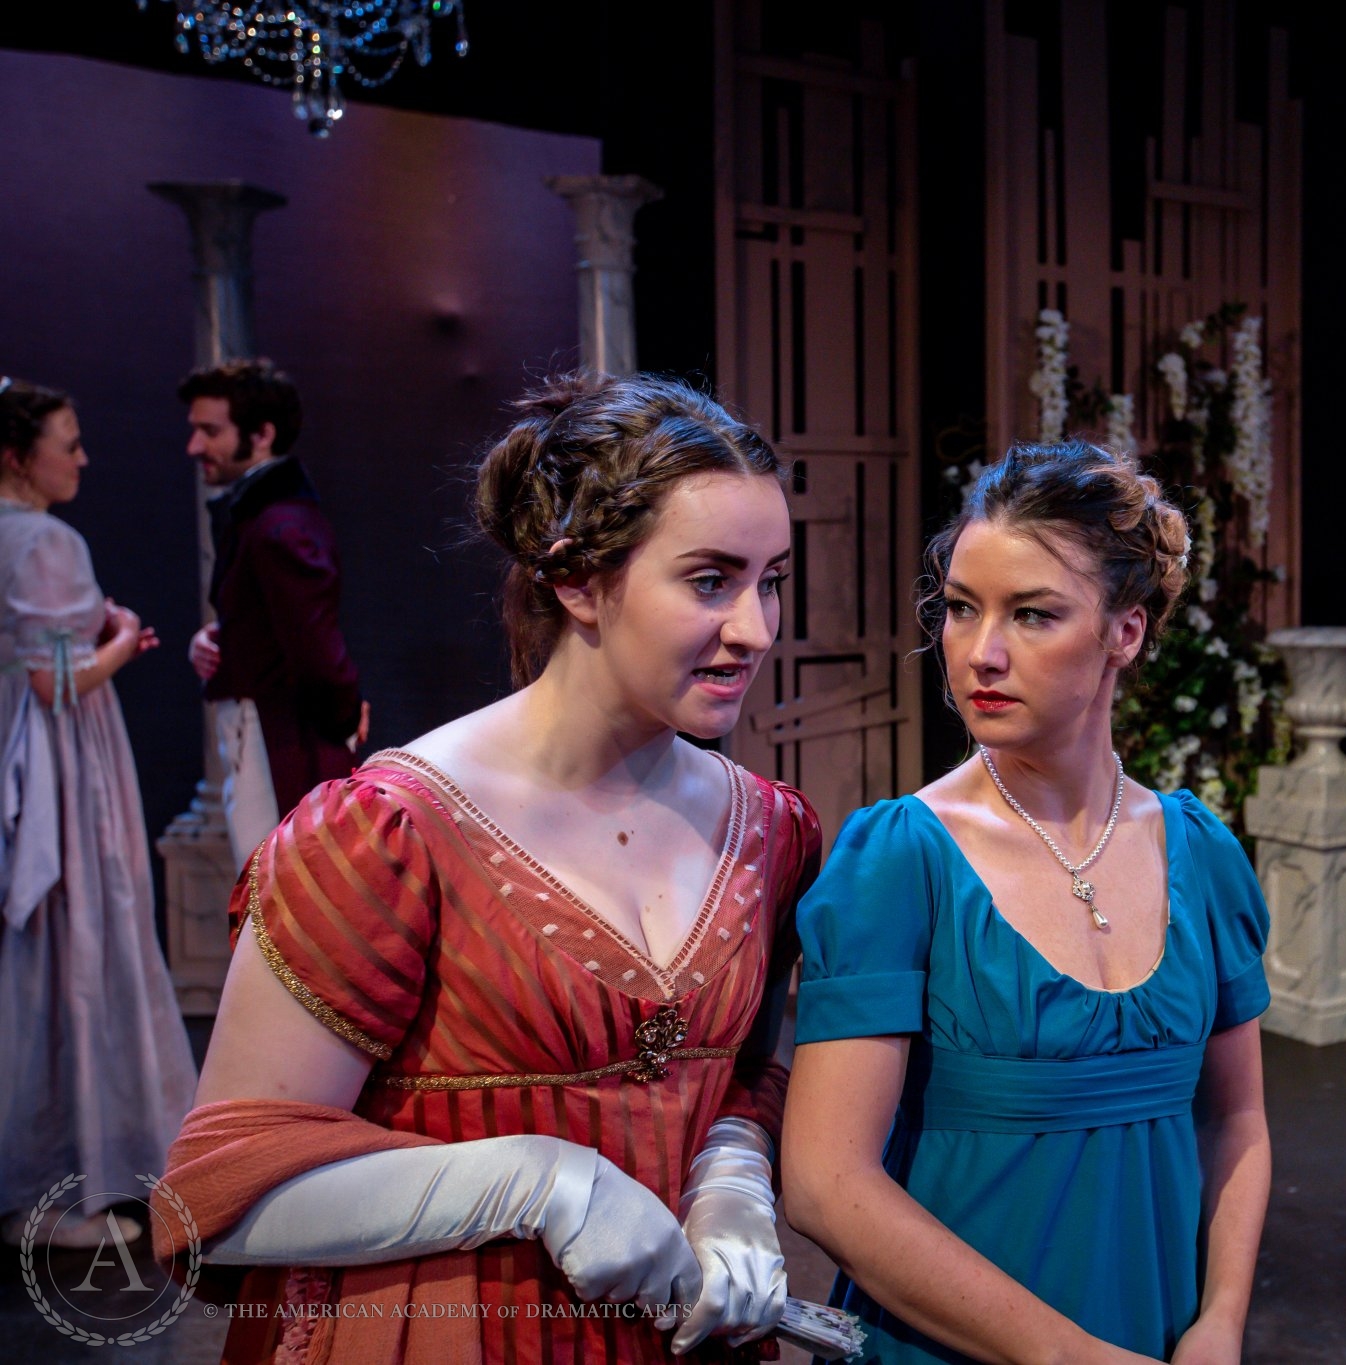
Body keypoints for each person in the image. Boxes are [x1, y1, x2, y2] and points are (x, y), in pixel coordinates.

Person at [151, 373, 818, 1363]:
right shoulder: (389, 836)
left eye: (770, 580)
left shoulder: (768, 831)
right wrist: (534, 1182)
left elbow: (743, 1073)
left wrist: (732, 1172)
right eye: (711, 580)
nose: (756, 628)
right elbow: (216, 1198)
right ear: (576, 579)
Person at [783, 442, 1271, 1363]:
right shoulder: (900, 859)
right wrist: (1067, 1355)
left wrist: (1221, 1319)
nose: (981, 652)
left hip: (1156, 1329)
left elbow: (1234, 1119)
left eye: (1033, 614)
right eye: (962, 607)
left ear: (1125, 632)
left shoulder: (1199, 853)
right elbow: (822, 1181)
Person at [0, 378, 194, 1248]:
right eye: (67, 443)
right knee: (77, 940)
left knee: (38, 953)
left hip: (29, 752)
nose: (82, 458)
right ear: (19, 457)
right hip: (61, 764)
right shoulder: (44, 538)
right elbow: (55, 681)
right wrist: (118, 640)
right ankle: (56, 1187)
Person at [179, 358, 366, 862]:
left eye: (209, 431)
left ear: (262, 434)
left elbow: (316, 645)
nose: (194, 446)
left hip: (281, 737)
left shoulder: (281, 525)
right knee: (268, 879)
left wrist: (346, 714)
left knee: (278, 882)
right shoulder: (262, 516)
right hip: (265, 728)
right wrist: (220, 637)